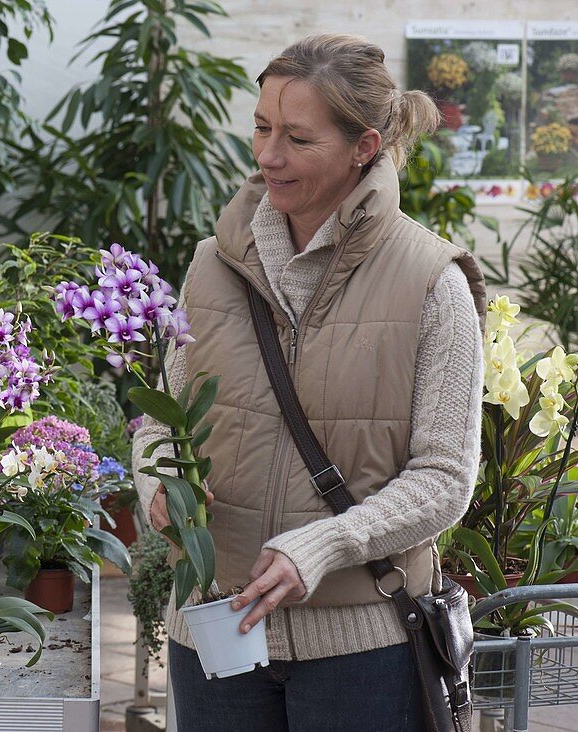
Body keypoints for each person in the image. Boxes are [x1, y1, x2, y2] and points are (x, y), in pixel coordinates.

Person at [133, 33, 486, 731]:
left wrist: (326, 544)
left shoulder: (432, 282)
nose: (268, 156)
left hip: (364, 651)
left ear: (365, 147)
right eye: (262, 128)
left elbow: (446, 476)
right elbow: (162, 420)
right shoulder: (211, 266)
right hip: (216, 632)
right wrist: (160, 485)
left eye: (297, 138)